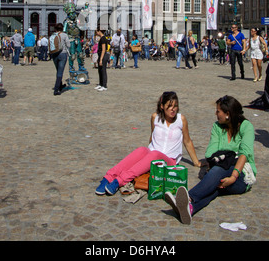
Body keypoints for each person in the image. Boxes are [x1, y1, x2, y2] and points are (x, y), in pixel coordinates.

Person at [165, 95, 256, 224]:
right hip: (220, 172)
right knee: (214, 188)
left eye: (218, 111)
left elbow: (244, 154)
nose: (216, 114)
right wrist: (229, 156)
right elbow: (210, 153)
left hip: (241, 175)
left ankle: (189, 198)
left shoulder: (246, 127)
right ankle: (190, 209)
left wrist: (233, 177)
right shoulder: (217, 127)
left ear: (227, 114)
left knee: (218, 171)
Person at [95, 91, 203, 196]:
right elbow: (152, 137)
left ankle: (119, 181)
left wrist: (196, 162)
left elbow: (187, 141)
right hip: (152, 157)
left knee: (154, 154)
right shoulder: (155, 117)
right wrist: (143, 158)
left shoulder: (181, 119)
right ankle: (108, 177)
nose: (173, 109)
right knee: (142, 150)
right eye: (169, 106)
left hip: (169, 161)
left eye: (175, 106)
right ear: (162, 106)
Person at [51, 23, 70, 96]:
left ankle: (60, 85)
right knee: (60, 72)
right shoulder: (64, 35)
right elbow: (68, 45)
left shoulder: (53, 35)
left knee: (58, 70)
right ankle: (56, 89)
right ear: (62, 28)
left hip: (54, 54)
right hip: (62, 54)